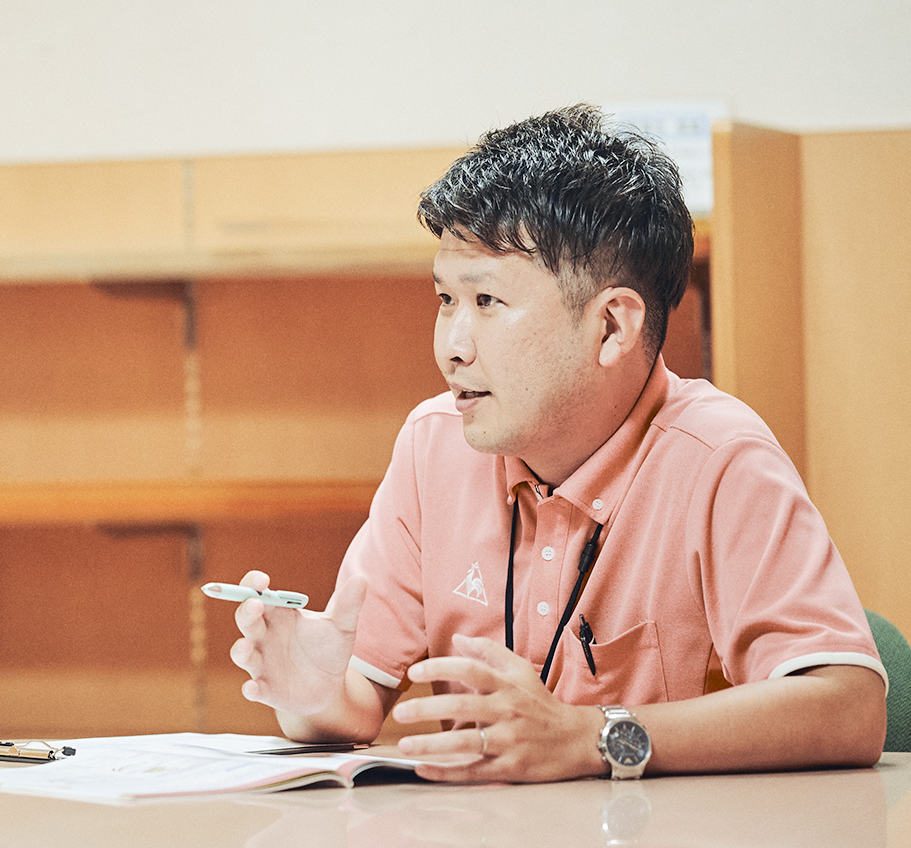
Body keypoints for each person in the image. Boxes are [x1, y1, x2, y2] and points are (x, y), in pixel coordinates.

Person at [228, 105, 886, 783]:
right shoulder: (435, 444)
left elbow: (848, 707)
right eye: (444, 299)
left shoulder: (718, 456)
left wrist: (594, 738)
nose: (451, 347)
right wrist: (311, 695)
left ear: (610, 327)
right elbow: (358, 700)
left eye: (485, 302)